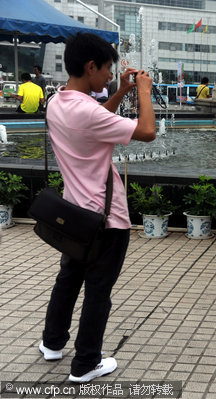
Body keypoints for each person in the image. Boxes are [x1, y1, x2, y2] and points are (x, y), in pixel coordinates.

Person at [39, 32, 156, 383]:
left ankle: (52, 344)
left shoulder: (59, 102)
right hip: (106, 221)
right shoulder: (86, 112)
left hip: (74, 214)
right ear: (90, 66)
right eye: (106, 69)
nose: (109, 76)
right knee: (98, 292)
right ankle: (86, 363)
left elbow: (96, 121)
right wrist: (145, 92)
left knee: (68, 279)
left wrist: (120, 91)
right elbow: (147, 131)